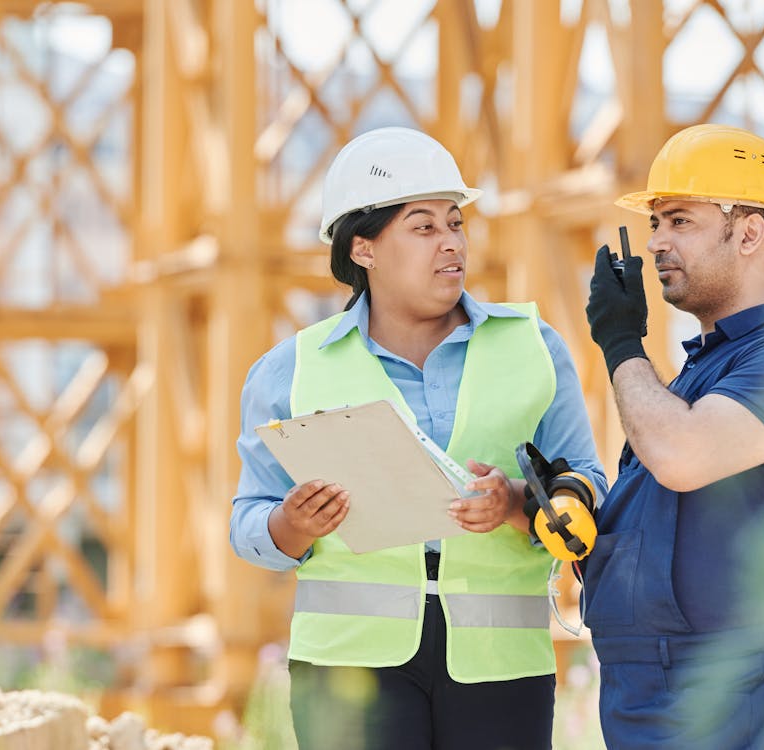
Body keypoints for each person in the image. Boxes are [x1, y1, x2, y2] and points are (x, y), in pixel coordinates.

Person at [230, 126, 606, 750]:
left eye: (455, 223)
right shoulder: (288, 370)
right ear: (364, 248)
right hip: (346, 670)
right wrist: (293, 526)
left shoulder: (534, 348)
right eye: (423, 226)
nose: (451, 243)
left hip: (500, 667)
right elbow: (249, 521)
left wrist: (515, 501)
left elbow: (589, 487)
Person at [582, 124, 764, 749]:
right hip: (650, 696)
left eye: (679, 220)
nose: (656, 243)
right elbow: (658, 523)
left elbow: (682, 456)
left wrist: (623, 341)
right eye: (655, 223)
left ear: (749, 233)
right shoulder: (701, 372)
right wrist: (541, 504)